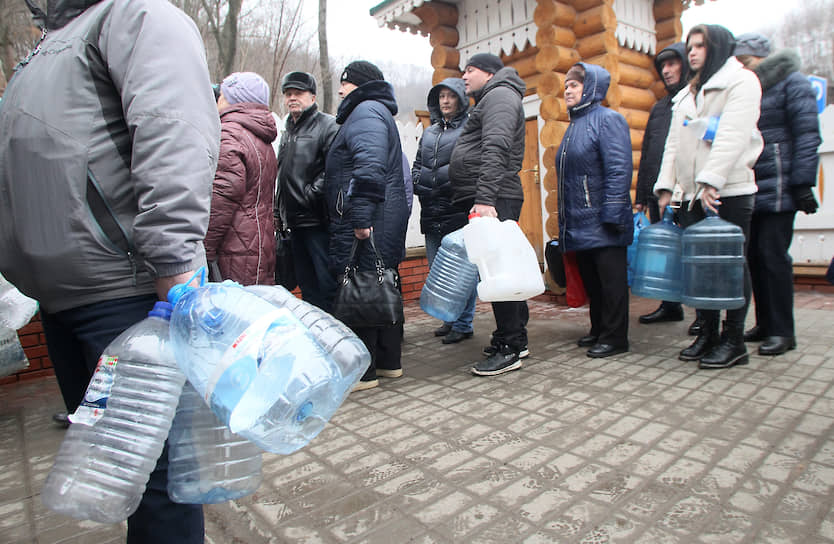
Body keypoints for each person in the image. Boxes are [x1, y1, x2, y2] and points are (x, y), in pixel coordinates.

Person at [0, 0, 219, 541]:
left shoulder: (137, 17)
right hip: (65, 299)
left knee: (157, 482)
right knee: (120, 470)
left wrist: (173, 262)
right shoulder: (51, 42)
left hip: (131, 296)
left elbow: (173, 133)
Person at [655, 24, 764, 369]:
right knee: (702, 269)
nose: (692, 52)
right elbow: (673, 146)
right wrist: (667, 188)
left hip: (727, 191)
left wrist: (712, 182)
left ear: (717, 47)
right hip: (691, 195)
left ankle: (734, 340)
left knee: (730, 267)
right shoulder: (686, 94)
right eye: (690, 46)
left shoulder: (741, 82)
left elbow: (732, 135)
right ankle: (709, 333)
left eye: (700, 46)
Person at [734, 33, 822, 356]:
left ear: (760, 56)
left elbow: (808, 135)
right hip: (755, 185)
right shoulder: (751, 89)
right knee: (755, 256)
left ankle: (784, 331)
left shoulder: (792, 82)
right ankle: (766, 323)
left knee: (773, 257)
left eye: (744, 59)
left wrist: (802, 183)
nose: (740, 65)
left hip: (782, 185)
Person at [325, 60, 409, 391]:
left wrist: (360, 217)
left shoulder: (365, 112)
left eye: (345, 83)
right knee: (379, 283)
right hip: (381, 218)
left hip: (367, 219)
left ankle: (365, 372)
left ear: (359, 85)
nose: (341, 89)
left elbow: (369, 166)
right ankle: (390, 363)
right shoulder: (373, 112)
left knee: (359, 288)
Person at [448, 53, 529, 376]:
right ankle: (513, 338)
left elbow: (496, 146)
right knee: (499, 271)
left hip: (495, 198)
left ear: (490, 73)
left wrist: (484, 199)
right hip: (495, 196)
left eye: (470, 70)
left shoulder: (499, 96)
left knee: (499, 275)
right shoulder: (493, 98)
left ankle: (510, 347)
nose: (464, 77)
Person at [556, 63, 634, 358]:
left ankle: (616, 338)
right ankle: (600, 329)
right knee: (594, 282)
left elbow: (618, 168)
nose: (568, 91)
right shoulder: (574, 126)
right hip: (580, 222)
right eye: (565, 86)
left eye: (574, 85)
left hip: (604, 220)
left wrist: (612, 213)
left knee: (612, 284)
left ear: (591, 87)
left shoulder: (608, 120)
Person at [412, 77, 476, 344]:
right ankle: (449, 320)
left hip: (457, 213)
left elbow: (473, 165)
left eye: (451, 96)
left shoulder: (469, 129)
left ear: (461, 99)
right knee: (438, 271)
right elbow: (417, 165)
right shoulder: (429, 133)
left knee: (461, 273)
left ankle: (464, 323)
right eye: (442, 97)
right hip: (431, 212)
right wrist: (418, 183)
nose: (446, 101)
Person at [635, 43, 691, 330]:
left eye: (672, 64)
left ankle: (704, 312)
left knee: (686, 246)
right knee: (666, 249)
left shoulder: (693, 100)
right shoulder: (659, 108)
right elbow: (649, 154)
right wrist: (642, 195)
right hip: (657, 194)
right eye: (663, 67)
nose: (667, 71)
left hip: (683, 192)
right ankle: (670, 306)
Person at [205, 71, 278, 286]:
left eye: (221, 95)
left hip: (233, 249)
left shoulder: (230, 134)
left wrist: (203, 250)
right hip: (259, 244)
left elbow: (220, 199)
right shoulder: (260, 137)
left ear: (231, 99)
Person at [276, 71, 339, 311]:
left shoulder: (327, 125)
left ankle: (339, 336)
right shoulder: (288, 129)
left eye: (298, 93)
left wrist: (309, 195)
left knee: (327, 285)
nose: (292, 98)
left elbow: (334, 169)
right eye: (288, 94)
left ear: (312, 96)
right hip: (294, 224)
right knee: (306, 286)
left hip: (318, 223)